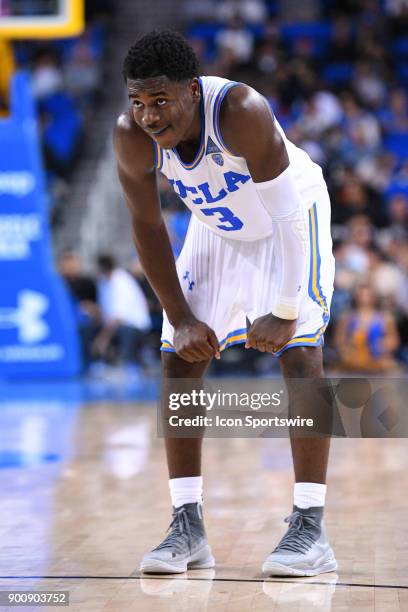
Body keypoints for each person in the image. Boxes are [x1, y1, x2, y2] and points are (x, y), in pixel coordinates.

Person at [114, 30, 336, 577]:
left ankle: (310, 527)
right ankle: (186, 524)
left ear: (192, 91)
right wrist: (181, 317)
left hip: (289, 218)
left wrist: (285, 308)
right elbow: (147, 226)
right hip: (218, 228)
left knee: (301, 354)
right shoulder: (131, 137)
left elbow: (286, 217)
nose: (147, 115)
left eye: (160, 101)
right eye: (137, 102)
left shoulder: (240, 110)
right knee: (177, 356)